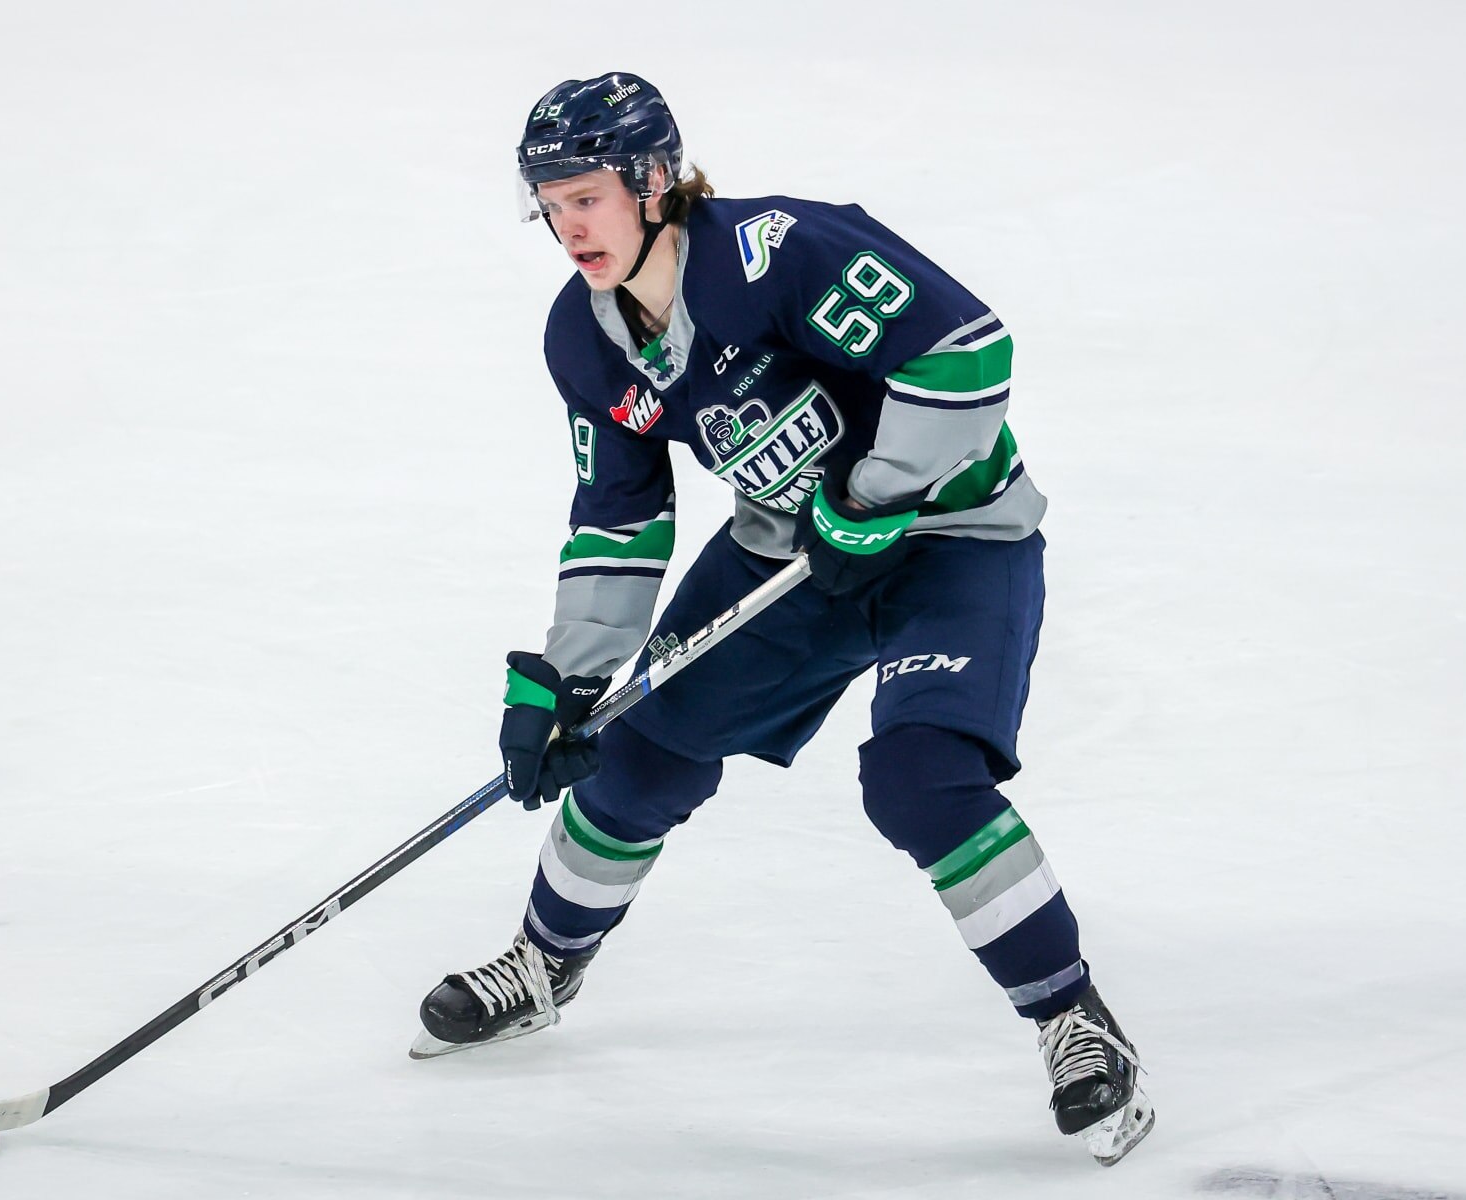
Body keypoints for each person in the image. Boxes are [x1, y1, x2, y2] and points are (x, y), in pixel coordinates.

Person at [411, 73, 1153, 1167]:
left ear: (655, 180)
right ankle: (543, 962)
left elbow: (966, 350)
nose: (568, 227)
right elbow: (619, 513)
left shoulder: (780, 251)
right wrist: (571, 681)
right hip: (792, 560)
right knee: (636, 754)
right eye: (551, 203)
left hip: (953, 538)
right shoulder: (586, 339)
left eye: (587, 197)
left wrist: (879, 492)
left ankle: (1073, 1018)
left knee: (919, 774)